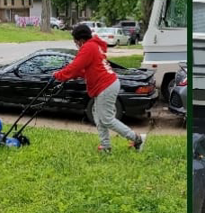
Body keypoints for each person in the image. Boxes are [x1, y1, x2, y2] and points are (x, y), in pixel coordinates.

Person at [54, 23, 146, 153]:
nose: (75, 44)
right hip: (107, 84)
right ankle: (105, 146)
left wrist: (59, 75)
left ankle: (137, 139)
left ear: (80, 40)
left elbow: (75, 67)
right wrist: (69, 74)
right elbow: (86, 69)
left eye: (75, 41)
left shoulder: (88, 47)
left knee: (107, 119)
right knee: (98, 117)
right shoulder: (93, 46)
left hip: (105, 85)